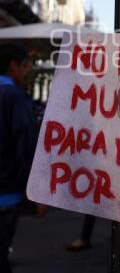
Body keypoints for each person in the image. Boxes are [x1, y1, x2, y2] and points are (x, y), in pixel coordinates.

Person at [0, 44, 36, 273]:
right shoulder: (14, 96)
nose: (28, 70)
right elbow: (26, 143)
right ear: (13, 65)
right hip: (6, 194)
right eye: (25, 66)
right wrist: (35, 192)